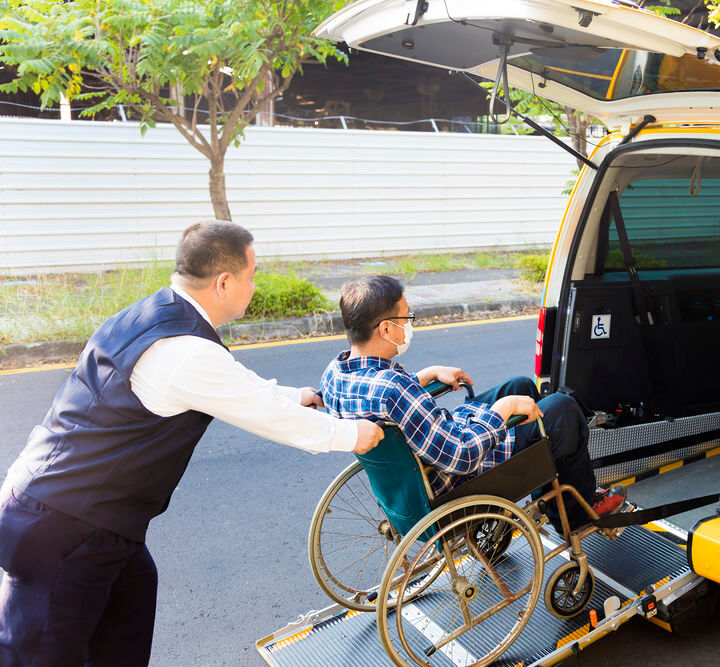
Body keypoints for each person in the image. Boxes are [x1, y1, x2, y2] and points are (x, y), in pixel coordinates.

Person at [0, 220, 384, 666]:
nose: (254, 286)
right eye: (251, 276)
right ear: (224, 282)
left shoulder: (154, 314)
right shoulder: (185, 350)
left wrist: (301, 396)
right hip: (65, 527)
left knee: (128, 616)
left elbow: (236, 388)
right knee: (39, 657)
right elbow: (266, 416)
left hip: (91, 519)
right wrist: (353, 435)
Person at [320, 275, 625, 532]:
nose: (410, 324)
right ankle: (576, 515)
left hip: (414, 476)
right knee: (563, 410)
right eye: (406, 318)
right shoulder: (394, 389)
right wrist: (502, 410)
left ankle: (548, 488)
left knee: (519, 385)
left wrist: (425, 376)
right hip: (454, 480)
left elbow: (381, 398)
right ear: (385, 329)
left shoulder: (336, 373)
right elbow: (461, 456)